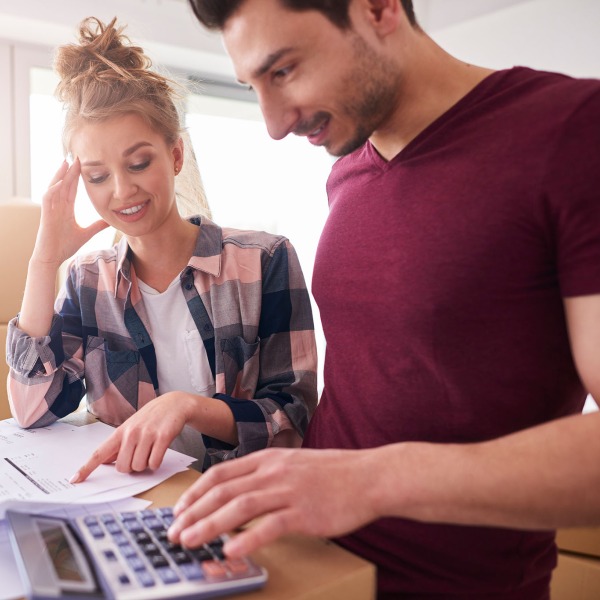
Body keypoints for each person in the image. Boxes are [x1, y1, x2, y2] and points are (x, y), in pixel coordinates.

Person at [167, 1, 600, 598]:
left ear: (376, 8)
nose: (272, 122)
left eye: (284, 70)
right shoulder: (348, 172)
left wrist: (370, 481)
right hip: (303, 561)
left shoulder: (574, 130)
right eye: (253, 86)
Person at [6, 16, 317, 478]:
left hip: (239, 504)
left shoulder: (264, 261)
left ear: (175, 156)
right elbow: (33, 411)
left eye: (138, 162)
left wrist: (187, 408)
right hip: (136, 507)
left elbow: (293, 421)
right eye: (97, 176)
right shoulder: (87, 280)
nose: (121, 190)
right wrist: (43, 261)